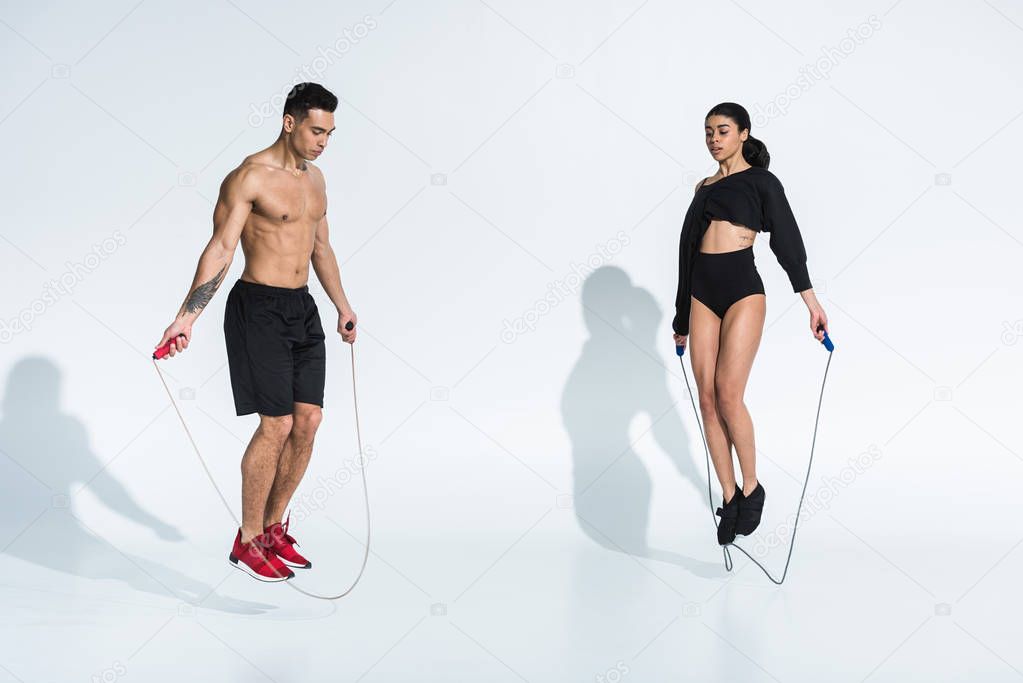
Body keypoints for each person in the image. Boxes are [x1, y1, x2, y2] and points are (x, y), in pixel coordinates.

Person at [155, 82, 357, 581]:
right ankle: (246, 540)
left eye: (330, 133)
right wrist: (187, 315)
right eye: (316, 130)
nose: (322, 142)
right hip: (258, 308)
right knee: (277, 424)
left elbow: (321, 248)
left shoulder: (316, 181)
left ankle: (272, 527)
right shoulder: (249, 177)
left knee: (307, 421)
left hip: (302, 308)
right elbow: (221, 248)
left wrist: (343, 306)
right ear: (289, 122)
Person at [672, 102, 828, 546]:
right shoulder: (702, 187)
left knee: (727, 392)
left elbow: (787, 241)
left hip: (743, 289)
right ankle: (729, 494)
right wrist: (682, 314)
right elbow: (685, 254)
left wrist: (810, 303)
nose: (714, 138)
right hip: (702, 291)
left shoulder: (761, 182)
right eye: (708, 132)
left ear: (743, 134)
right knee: (705, 399)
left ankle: (752, 485)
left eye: (722, 130)